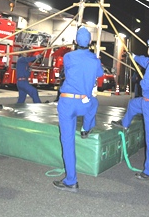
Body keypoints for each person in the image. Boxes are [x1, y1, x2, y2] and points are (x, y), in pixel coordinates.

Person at [53, 27, 104, 193]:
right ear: (90, 42)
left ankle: (71, 181)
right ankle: (86, 128)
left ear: (75, 41)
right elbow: (100, 74)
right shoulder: (95, 60)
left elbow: (67, 72)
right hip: (84, 102)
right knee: (94, 104)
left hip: (67, 102)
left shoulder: (68, 57)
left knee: (67, 142)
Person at [111, 39, 149, 180]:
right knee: (133, 104)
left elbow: (145, 85)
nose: (147, 49)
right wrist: (134, 56)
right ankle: (125, 124)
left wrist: (141, 81)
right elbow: (145, 61)